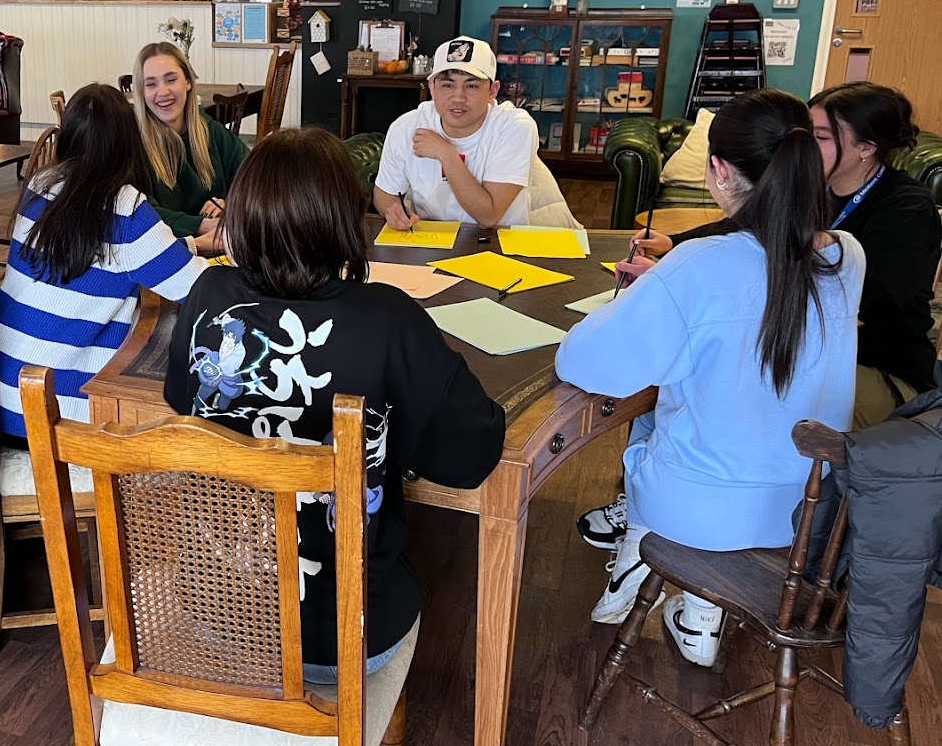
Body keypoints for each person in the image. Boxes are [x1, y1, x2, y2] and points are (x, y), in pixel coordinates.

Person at [164, 127, 506, 680]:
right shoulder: (388, 318)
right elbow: (469, 458)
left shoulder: (208, 295)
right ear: (344, 219)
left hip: (215, 609)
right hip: (344, 636)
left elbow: (184, 403)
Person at [556, 89, 864, 667]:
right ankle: (696, 613)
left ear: (718, 171)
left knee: (651, 413)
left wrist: (650, 292)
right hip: (808, 515)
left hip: (695, 509)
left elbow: (582, 362)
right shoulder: (847, 256)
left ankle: (642, 556)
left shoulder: (700, 266)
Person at [0, 83, 207, 440]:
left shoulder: (41, 186)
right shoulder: (125, 208)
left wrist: (189, 244)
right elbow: (198, 290)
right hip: (55, 414)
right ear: (129, 142)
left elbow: (112, 258)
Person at [373, 36, 577, 230]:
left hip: (498, 241)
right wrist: (392, 210)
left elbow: (488, 216)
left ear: (492, 91)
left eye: (471, 85)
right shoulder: (406, 126)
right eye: (447, 85)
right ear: (432, 88)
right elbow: (384, 194)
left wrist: (447, 154)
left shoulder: (515, 127)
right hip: (430, 240)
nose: (458, 97)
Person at [132, 41, 247, 253]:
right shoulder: (134, 145)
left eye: (171, 79)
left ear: (188, 82)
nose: (163, 91)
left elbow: (253, 177)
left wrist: (230, 204)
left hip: (221, 252)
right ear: (141, 92)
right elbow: (138, 213)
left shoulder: (211, 131)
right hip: (165, 258)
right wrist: (201, 225)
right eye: (151, 84)